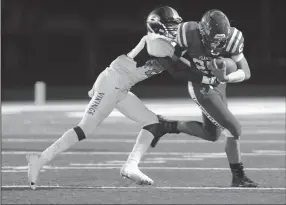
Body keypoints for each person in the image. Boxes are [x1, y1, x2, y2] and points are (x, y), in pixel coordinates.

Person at [26, 6, 219, 190]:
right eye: (171, 25)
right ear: (158, 25)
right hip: (112, 83)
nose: (175, 29)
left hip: (121, 87)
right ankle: (39, 160)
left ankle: (131, 166)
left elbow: (183, 62)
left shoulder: (167, 44)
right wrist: (205, 75)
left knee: (152, 122)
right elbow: (178, 71)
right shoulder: (156, 42)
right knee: (85, 128)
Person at [155, 9, 258, 187]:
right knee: (234, 129)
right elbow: (172, 63)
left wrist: (225, 77)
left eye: (220, 42)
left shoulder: (233, 38)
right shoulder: (187, 33)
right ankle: (238, 176)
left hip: (219, 84)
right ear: (202, 32)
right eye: (211, 40)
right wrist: (198, 73)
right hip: (200, 86)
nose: (214, 46)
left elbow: (246, 72)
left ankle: (165, 126)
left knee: (212, 134)